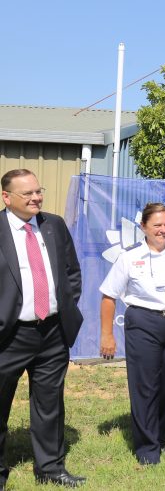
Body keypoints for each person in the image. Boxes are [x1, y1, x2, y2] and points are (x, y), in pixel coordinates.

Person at [98, 202, 165, 465]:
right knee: (145, 386)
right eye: (157, 225)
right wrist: (106, 335)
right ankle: (147, 448)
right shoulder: (129, 257)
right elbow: (108, 297)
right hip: (144, 323)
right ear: (143, 227)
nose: (163, 230)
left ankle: (157, 430)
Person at [0, 169, 85, 489]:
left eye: (39, 191)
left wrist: (66, 308)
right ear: (7, 197)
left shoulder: (54, 225)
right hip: (8, 335)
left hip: (51, 333)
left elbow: (71, 272)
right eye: (28, 194)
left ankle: (50, 468)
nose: (37, 198)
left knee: (50, 404)